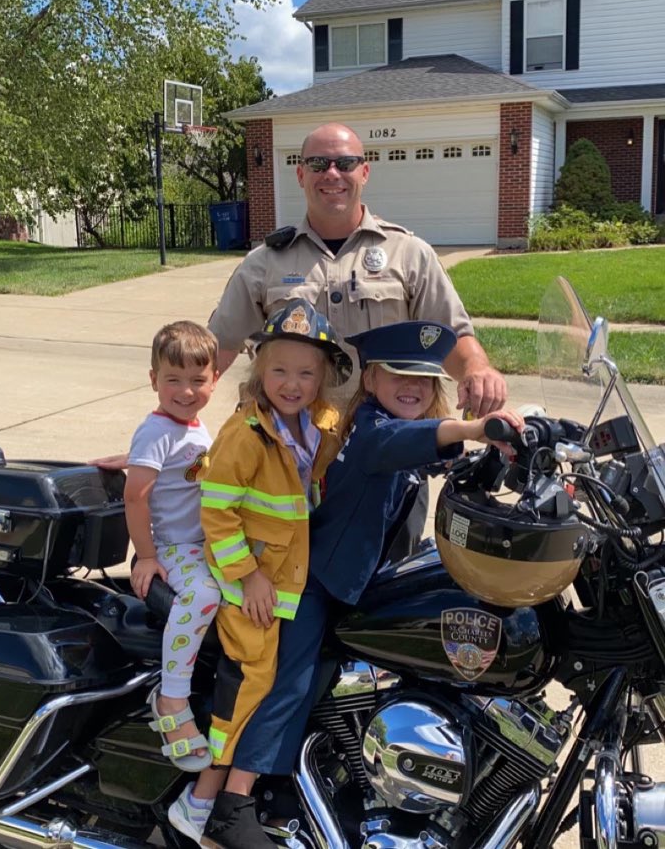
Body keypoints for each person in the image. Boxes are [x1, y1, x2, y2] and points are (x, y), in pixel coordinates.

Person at [173, 320, 524, 848]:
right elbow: (404, 442)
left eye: (425, 381)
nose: (413, 387)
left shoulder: (377, 427)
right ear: (373, 377)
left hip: (357, 582)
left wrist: (514, 446)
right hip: (311, 582)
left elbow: (425, 452)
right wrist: (474, 430)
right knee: (289, 681)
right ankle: (232, 803)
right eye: (400, 375)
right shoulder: (370, 430)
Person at [207, 120, 508, 561]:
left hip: (391, 462)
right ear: (301, 173)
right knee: (296, 592)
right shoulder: (265, 263)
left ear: (363, 172)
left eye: (345, 162)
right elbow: (215, 350)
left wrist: (479, 370)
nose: (332, 173)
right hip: (293, 467)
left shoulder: (408, 253)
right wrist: (169, 435)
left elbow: (452, 335)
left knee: (392, 599)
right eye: (318, 163)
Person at [167, 298, 351, 847]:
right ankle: (201, 800)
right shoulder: (246, 432)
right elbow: (216, 512)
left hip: (283, 576)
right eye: (278, 371)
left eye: (305, 373)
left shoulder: (316, 423)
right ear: (257, 371)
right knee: (252, 682)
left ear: (322, 379)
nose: (291, 384)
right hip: (250, 583)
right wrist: (247, 576)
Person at [124, 321, 222, 772]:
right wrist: (147, 555)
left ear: (214, 380)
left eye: (197, 381)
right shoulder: (159, 429)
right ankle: (172, 700)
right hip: (173, 545)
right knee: (203, 596)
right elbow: (136, 494)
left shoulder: (192, 427)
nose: (185, 391)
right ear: (153, 381)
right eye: (173, 380)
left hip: (201, 542)